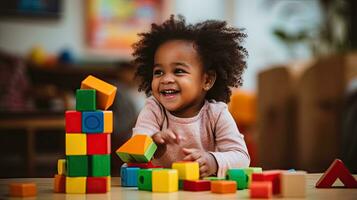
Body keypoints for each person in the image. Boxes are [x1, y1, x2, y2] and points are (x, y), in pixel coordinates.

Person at [131, 15, 250, 178]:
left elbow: (241, 157)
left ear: (207, 80)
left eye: (178, 71)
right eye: (158, 72)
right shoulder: (154, 108)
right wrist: (152, 142)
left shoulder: (216, 114)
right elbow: (135, 145)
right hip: (159, 190)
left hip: (200, 191)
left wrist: (212, 161)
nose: (165, 79)